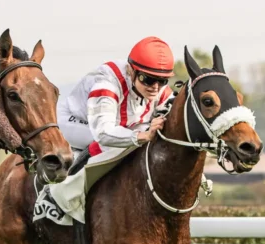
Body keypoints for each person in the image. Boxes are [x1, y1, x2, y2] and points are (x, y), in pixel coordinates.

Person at [56, 36, 175, 166]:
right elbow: (103, 133)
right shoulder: (107, 84)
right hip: (77, 122)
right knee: (118, 146)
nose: (155, 87)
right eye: (148, 79)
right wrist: (144, 136)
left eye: (163, 80)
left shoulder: (161, 89)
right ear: (131, 70)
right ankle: (68, 179)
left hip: (121, 125)